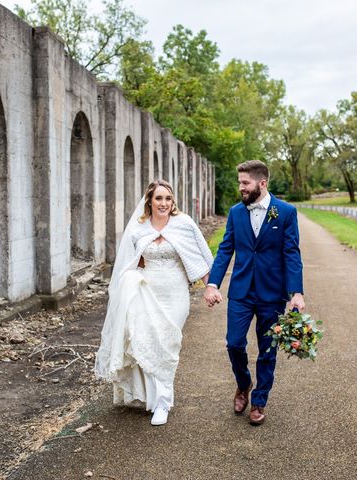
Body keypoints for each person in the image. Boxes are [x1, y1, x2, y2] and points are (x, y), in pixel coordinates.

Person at [95, 180, 216, 426]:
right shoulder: (139, 228)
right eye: (159, 198)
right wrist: (126, 286)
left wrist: (210, 286)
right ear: (150, 200)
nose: (163, 203)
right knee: (148, 342)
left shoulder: (183, 224)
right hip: (147, 293)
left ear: (173, 202)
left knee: (168, 343)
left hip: (175, 294)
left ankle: (163, 403)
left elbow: (200, 255)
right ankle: (158, 399)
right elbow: (129, 262)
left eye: (168, 199)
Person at [204, 160, 305, 426]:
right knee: (234, 343)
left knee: (267, 349)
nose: (241, 187)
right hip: (241, 290)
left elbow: (291, 252)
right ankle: (243, 384)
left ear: (262, 183)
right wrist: (213, 283)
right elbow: (226, 249)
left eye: (245, 183)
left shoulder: (285, 212)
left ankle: (259, 401)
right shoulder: (236, 212)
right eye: (240, 182)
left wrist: (296, 292)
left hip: (271, 293)